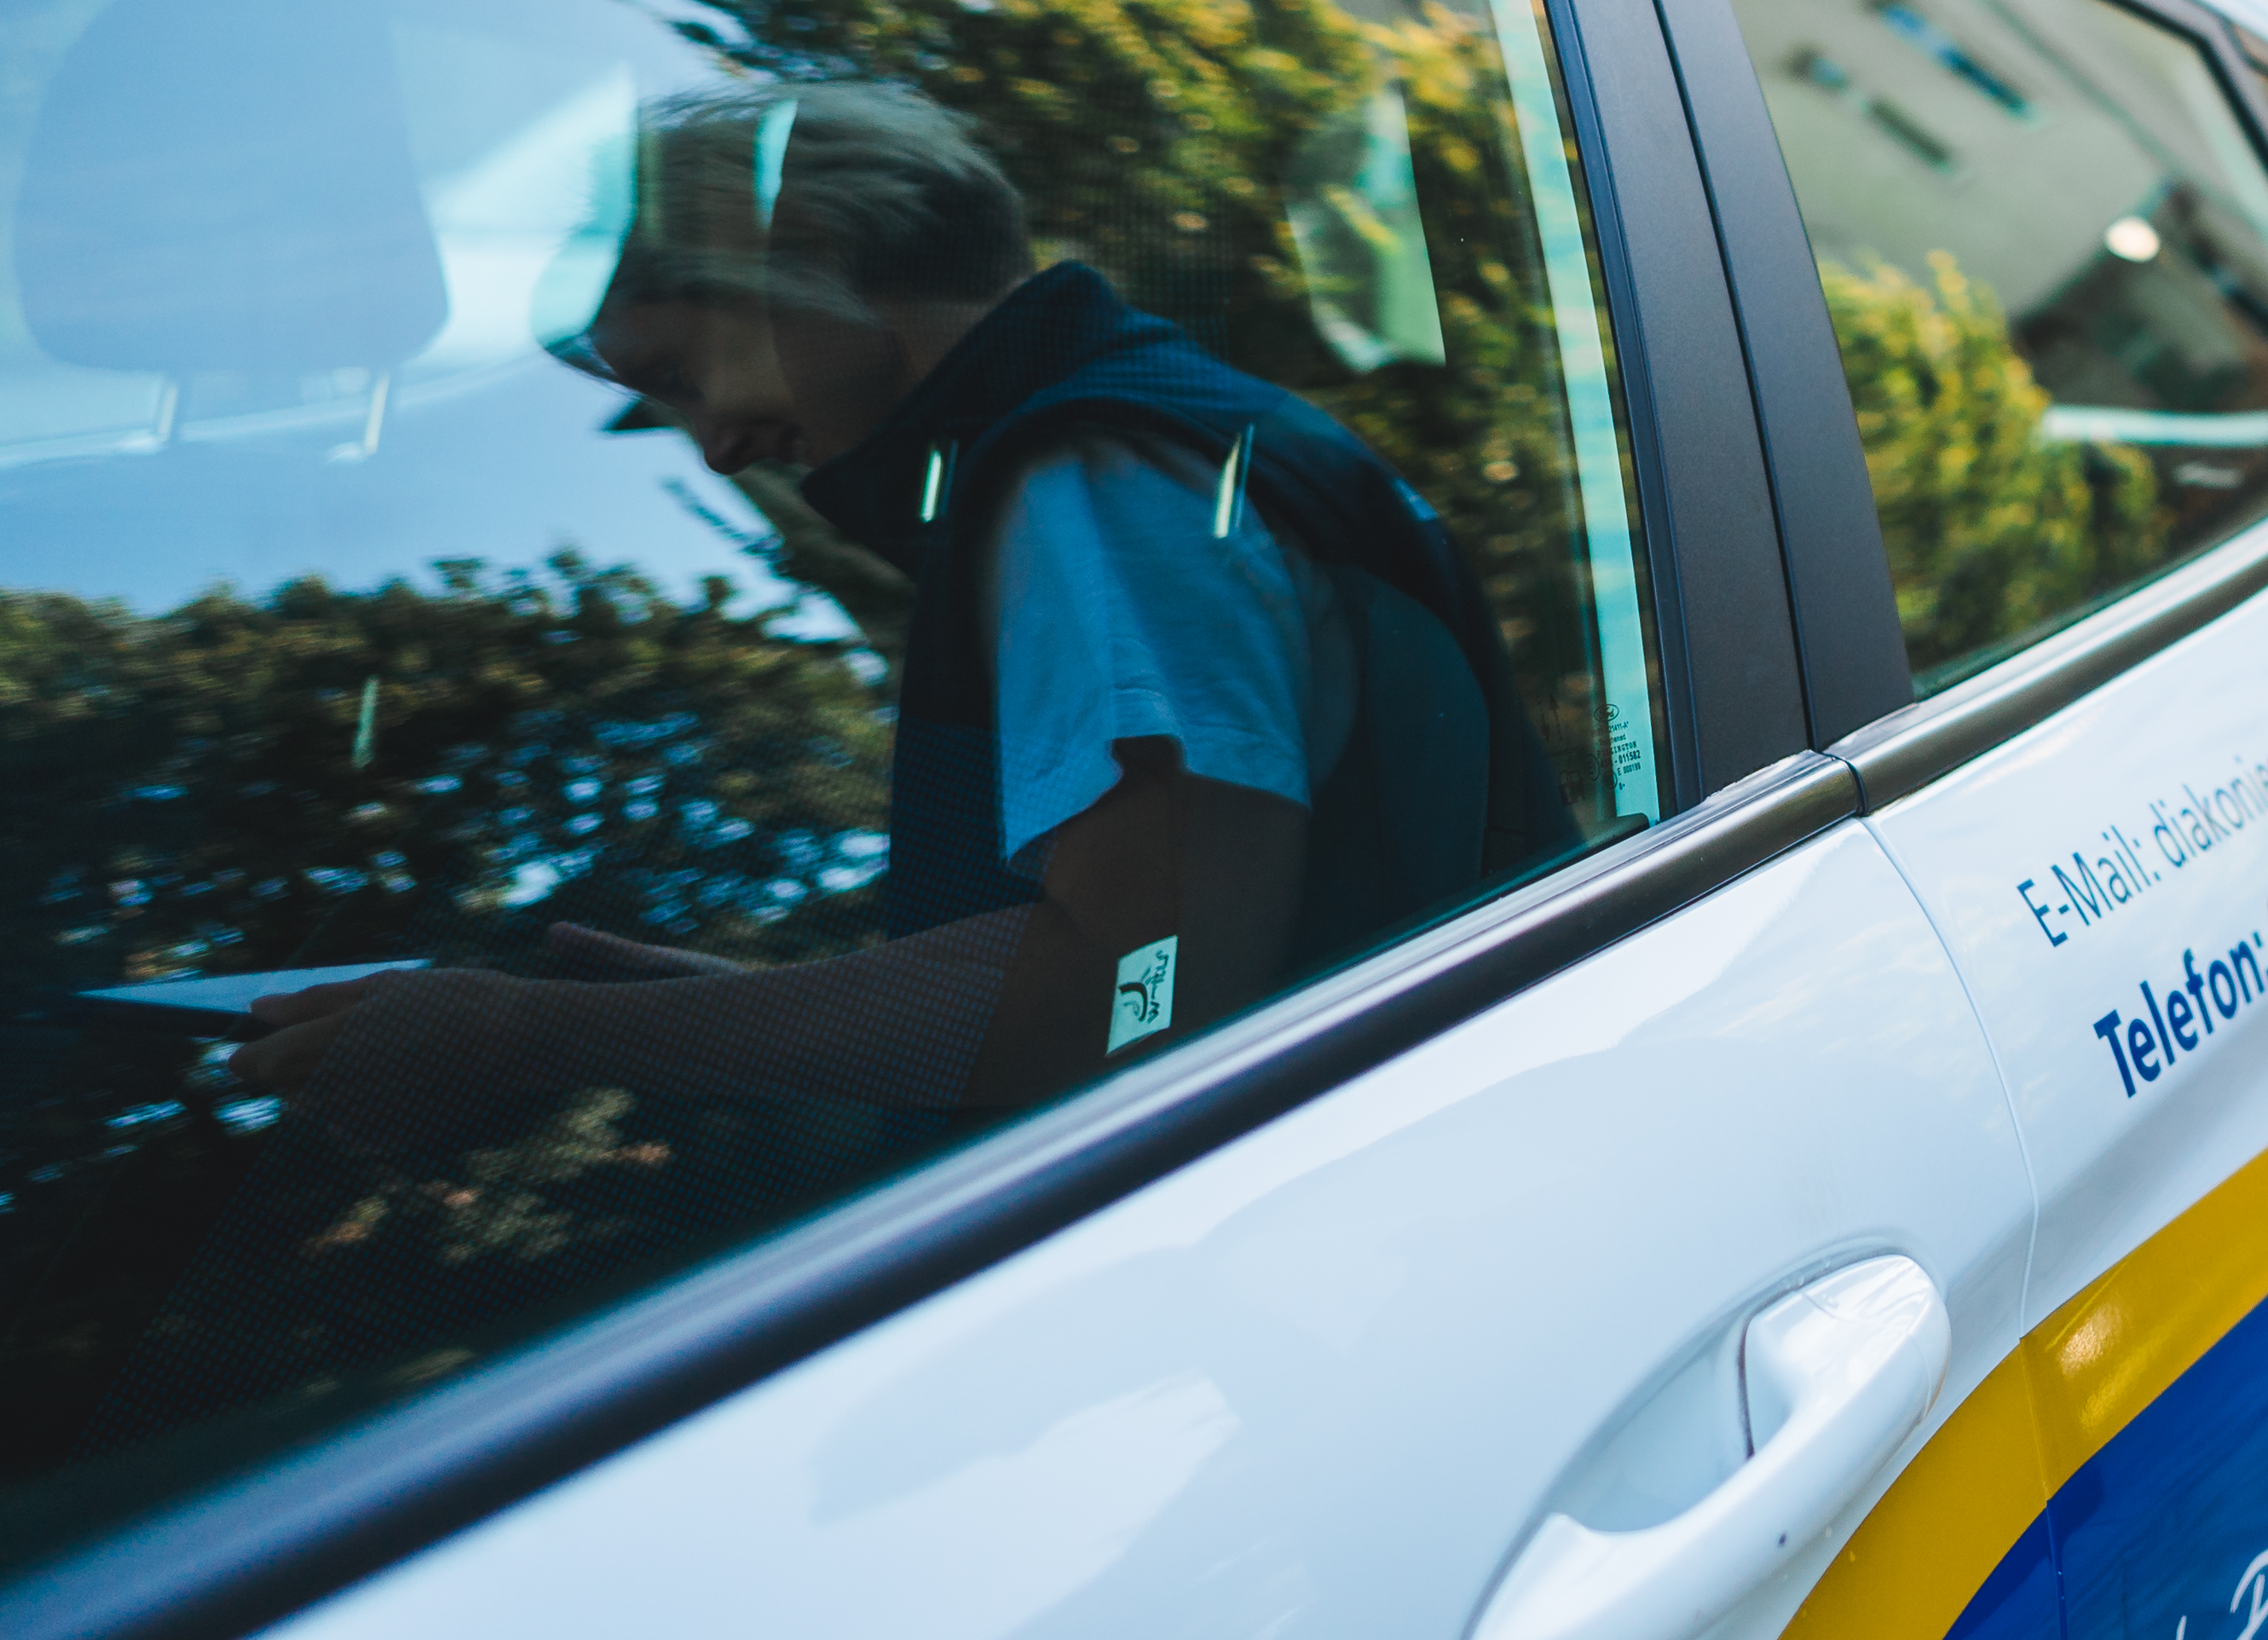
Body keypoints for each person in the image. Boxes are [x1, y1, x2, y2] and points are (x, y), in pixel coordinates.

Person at [234, 81, 1557, 1135]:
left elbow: (1131, 996)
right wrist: (745, 1019)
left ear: (802, 251)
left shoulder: (1087, 481)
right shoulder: (1146, 432)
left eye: (686, 372)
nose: (714, 448)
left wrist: (533, 1035)